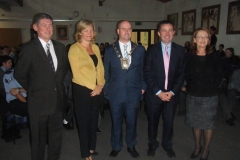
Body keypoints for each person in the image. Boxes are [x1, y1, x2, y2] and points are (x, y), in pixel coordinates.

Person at [14, 13, 68, 160]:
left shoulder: (60, 47)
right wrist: (34, 88)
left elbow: (63, 71)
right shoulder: (29, 48)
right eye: (44, 25)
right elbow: (19, 74)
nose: (48, 28)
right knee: (38, 140)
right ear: (35, 27)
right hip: (38, 103)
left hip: (57, 102)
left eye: (50, 25)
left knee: (56, 139)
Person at [104, 20, 146, 158]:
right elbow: (106, 72)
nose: (126, 31)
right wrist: (107, 90)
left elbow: (144, 70)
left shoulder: (139, 49)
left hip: (134, 92)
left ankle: (131, 145)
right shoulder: (110, 50)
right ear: (118, 31)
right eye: (123, 28)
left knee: (132, 121)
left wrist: (143, 87)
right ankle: (116, 146)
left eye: (129, 29)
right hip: (116, 93)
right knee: (116, 122)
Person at [144, 20, 186, 158]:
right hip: (154, 94)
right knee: (153, 122)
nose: (167, 33)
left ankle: (167, 145)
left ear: (174, 32)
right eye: (164, 30)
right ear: (158, 33)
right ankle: (152, 144)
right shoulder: (151, 50)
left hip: (171, 95)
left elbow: (181, 74)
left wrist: (172, 92)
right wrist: (158, 92)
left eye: (170, 30)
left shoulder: (180, 50)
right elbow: (147, 73)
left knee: (169, 122)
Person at [68, 19, 105, 160]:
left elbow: (100, 68)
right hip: (82, 90)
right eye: (86, 30)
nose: (89, 33)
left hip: (97, 89)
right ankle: (85, 153)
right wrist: (93, 87)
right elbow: (76, 73)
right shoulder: (74, 49)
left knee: (93, 120)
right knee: (83, 122)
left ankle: (91, 147)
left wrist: (100, 85)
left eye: (91, 30)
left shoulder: (95, 47)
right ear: (79, 32)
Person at [185, 27, 223, 160]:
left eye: (205, 37)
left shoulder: (216, 56)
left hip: (209, 96)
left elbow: (220, 74)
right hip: (193, 95)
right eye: (199, 37)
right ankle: (197, 146)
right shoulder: (189, 56)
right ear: (194, 39)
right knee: (196, 123)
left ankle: (206, 148)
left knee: (208, 125)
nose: (202, 39)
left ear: (209, 39)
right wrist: (185, 86)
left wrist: (212, 85)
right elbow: (184, 73)